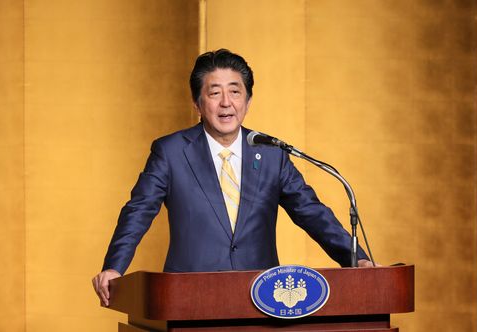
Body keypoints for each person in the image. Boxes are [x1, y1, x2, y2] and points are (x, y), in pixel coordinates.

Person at [92, 49, 373, 306]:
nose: (226, 103)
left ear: (248, 100)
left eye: (235, 92)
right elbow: (138, 211)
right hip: (189, 297)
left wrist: (357, 258)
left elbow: (310, 211)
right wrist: (115, 266)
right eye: (214, 93)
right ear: (197, 103)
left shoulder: (271, 153)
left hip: (262, 298)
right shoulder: (171, 152)